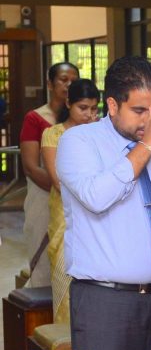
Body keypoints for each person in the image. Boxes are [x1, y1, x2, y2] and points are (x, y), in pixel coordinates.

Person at [56, 56, 151, 350]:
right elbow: (97, 196)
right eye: (139, 110)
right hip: (101, 305)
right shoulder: (77, 141)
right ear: (113, 105)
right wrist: (147, 146)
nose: (149, 120)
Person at [41, 79, 99, 323]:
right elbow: (58, 181)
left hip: (97, 220)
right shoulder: (53, 134)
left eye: (94, 109)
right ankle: (66, 345)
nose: (88, 114)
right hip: (64, 220)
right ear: (68, 104)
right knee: (65, 291)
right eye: (82, 108)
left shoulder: (100, 134)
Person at [21, 62, 79, 286]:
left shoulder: (82, 118)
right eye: (63, 80)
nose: (69, 84)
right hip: (43, 198)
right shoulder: (35, 118)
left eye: (73, 80)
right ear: (50, 84)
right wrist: (63, 189)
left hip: (74, 201)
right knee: (44, 266)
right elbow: (31, 167)